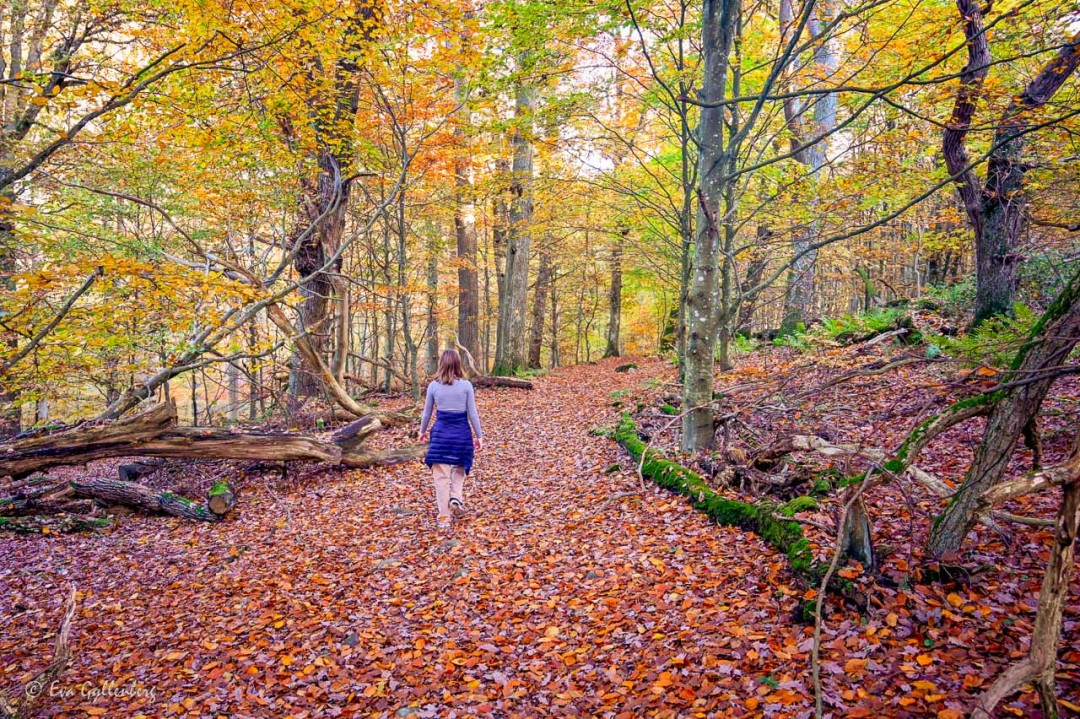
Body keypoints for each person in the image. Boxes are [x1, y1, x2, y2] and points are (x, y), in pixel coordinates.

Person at [418, 349, 483, 528]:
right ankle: (455, 496)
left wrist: (422, 431)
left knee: (441, 477)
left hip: (441, 435)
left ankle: (444, 517)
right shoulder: (466, 385)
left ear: (441, 364)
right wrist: (479, 435)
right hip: (461, 434)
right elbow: (473, 413)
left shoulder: (433, 386)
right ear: (457, 364)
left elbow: (426, 413)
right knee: (461, 467)